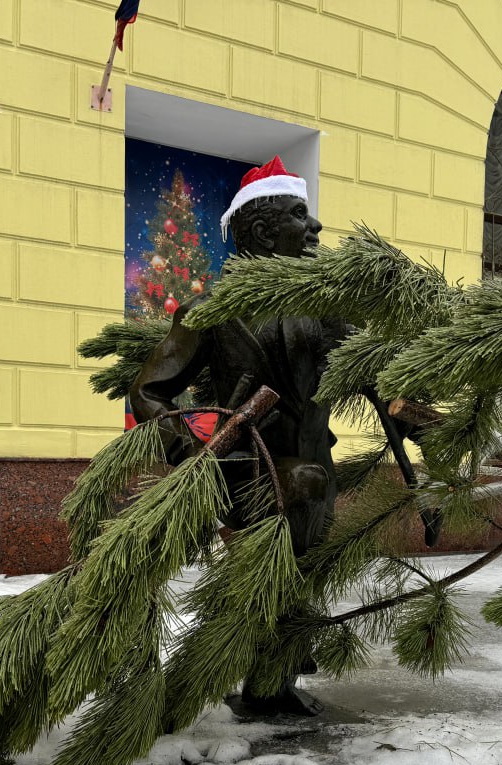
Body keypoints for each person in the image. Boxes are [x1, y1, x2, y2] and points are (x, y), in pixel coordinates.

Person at [131, 156, 341, 714]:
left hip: (318, 471)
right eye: (302, 215)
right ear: (265, 232)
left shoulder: (324, 310)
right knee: (261, 582)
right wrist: (192, 456)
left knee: (303, 578)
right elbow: (148, 393)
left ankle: (277, 682)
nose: (316, 227)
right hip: (251, 472)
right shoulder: (209, 312)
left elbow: (377, 369)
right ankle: (258, 684)